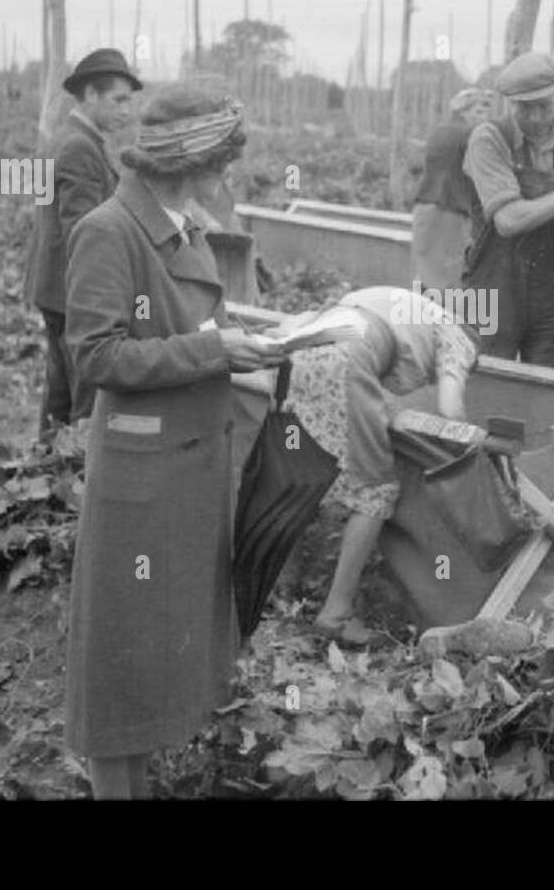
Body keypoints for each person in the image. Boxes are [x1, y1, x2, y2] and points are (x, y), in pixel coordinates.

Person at [62, 77, 287, 799]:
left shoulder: (175, 220)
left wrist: (245, 338)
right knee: (120, 657)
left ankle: (137, 782)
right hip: (142, 480)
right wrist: (216, 351)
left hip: (182, 472)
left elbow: (179, 329)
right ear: (186, 163)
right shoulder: (110, 229)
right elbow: (95, 357)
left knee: (158, 644)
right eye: (221, 161)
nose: (227, 175)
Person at [272, 286, 479, 640]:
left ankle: (278, 588)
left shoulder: (394, 302)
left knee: (301, 472)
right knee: (376, 490)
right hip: (345, 362)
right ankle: (335, 615)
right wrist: (475, 441)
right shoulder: (456, 336)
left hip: (298, 355)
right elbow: (450, 409)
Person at [24, 48, 142, 440]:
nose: (127, 110)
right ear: (90, 95)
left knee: (59, 390)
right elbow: (84, 232)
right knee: (85, 396)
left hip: (53, 284)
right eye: (118, 100)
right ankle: (76, 480)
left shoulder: (67, 138)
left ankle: (45, 471)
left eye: (131, 100)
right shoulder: (79, 147)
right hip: (72, 291)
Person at [461, 52, 554, 369]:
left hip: (553, 292)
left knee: (553, 398)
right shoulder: (489, 139)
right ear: (509, 103)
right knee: (486, 388)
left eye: (543, 106)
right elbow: (508, 220)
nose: (535, 117)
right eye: (524, 108)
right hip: (492, 291)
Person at [411, 87, 494, 293]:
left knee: (426, 274)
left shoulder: (439, 131)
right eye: (479, 111)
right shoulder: (471, 134)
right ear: (465, 112)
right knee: (450, 278)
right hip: (451, 210)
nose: (484, 117)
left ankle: (421, 321)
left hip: (425, 206)